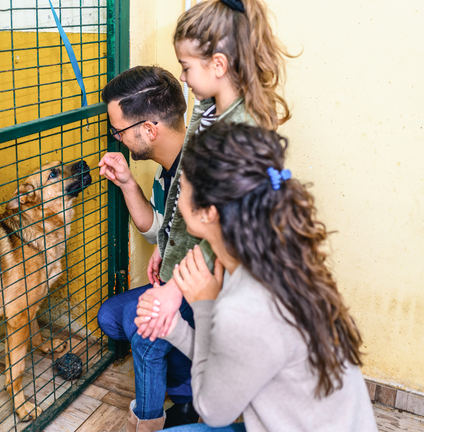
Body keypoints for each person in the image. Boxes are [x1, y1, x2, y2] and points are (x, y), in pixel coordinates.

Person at [98, 0, 296, 430]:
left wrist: (171, 290)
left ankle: (181, 410)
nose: (183, 77)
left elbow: (222, 224)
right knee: (131, 319)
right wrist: (166, 251)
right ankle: (195, 396)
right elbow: (181, 216)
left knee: (153, 332)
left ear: (218, 64)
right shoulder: (209, 110)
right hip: (201, 272)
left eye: (186, 67)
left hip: (234, 280)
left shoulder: (237, 127)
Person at [136, 121, 379, 432]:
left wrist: (204, 305)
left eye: (181, 187)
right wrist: (175, 328)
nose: (175, 196)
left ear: (207, 212)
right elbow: (230, 366)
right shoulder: (273, 257)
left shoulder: (247, 302)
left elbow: (213, 409)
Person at [96, 65, 199, 430]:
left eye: (120, 130)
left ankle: (158, 417)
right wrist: (125, 182)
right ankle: (186, 384)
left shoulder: (202, 171)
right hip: (178, 279)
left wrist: (166, 301)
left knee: (145, 329)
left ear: (149, 129)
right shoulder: (164, 168)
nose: (117, 138)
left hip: (212, 291)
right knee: (111, 317)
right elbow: (155, 229)